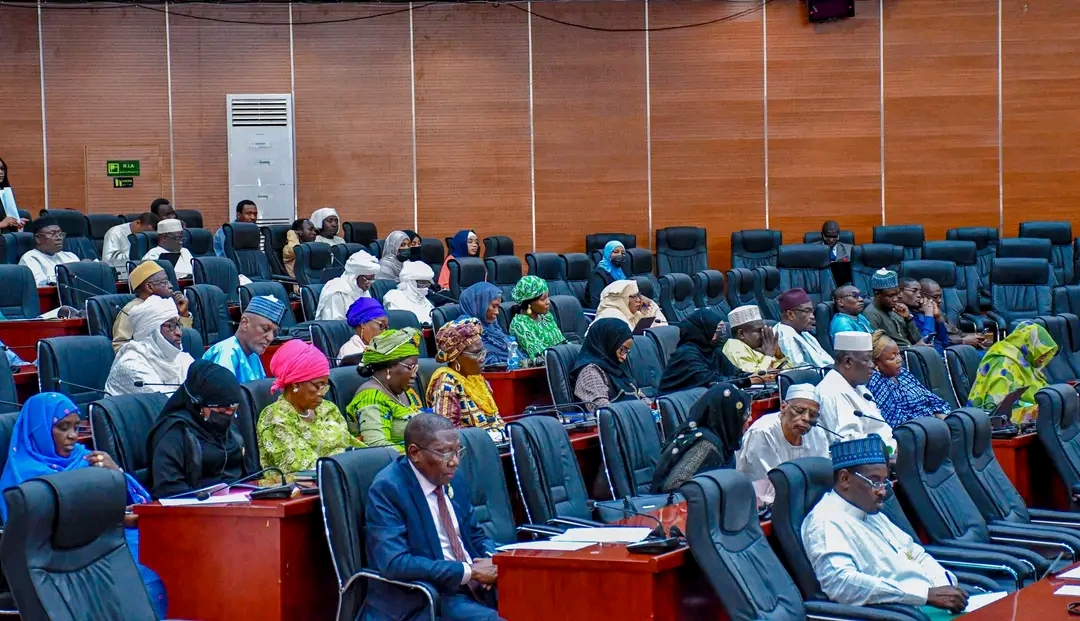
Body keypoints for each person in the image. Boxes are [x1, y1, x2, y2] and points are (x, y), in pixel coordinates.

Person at [0, 393, 167, 618]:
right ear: (37, 430)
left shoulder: (85, 458)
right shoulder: (20, 477)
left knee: (169, 559)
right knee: (142, 580)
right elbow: (36, 534)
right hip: (67, 561)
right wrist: (113, 518)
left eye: (76, 427)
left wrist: (114, 473)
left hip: (108, 543)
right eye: (62, 427)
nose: (72, 437)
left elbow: (138, 502)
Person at [802, 436, 967, 616]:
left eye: (884, 482)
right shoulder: (825, 521)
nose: (882, 491)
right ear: (844, 479)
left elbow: (915, 553)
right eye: (874, 482)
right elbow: (841, 584)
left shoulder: (871, 512)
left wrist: (943, 585)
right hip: (900, 613)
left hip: (926, 604)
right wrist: (923, 595)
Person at [361, 414, 501, 621]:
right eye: (444, 453)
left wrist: (494, 561)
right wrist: (469, 571)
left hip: (477, 585)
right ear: (415, 453)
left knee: (543, 600)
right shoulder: (389, 489)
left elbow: (475, 534)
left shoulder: (453, 478)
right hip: (431, 595)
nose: (454, 462)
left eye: (457, 451)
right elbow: (395, 563)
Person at [145, 360, 250, 499]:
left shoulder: (229, 430)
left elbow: (247, 473)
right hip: (194, 511)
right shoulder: (175, 433)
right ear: (198, 402)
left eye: (233, 408)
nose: (229, 414)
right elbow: (167, 489)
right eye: (222, 408)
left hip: (238, 504)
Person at [257, 340, 365, 473]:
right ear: (295, 384)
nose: (323, 392)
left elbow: (352, 446)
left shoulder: (328, 408)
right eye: (318, 385)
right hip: (305, 489)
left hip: (344, 476)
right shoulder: (275, 417)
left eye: (325, 386)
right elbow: (301, 467)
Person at [736, 384, 829, 503]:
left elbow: (822, 476)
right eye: (799, 411)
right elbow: (768, 486)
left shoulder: (817, 433)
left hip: (805, 500)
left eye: (812, 415)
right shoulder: (762, 432)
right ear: (783, 407)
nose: (806, 418)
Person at [651, 382, 751, 494]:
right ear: (730, 417)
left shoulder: (724, 441)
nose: (750, 419)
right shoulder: (705, 445)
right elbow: (674, 486)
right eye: (744, 416)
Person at [815, 332, 896, 451]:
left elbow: (880, 428)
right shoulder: (830, 392)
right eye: (867, 360)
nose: (872, 365)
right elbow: (849, 444)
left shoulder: (859, 386)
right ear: (847, 362)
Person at [428, 318, 506, 441]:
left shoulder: (476, 378)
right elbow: (447, 431)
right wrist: (488, 437)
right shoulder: (446, 381)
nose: (482, 358)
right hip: (472, 449)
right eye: (476, 354)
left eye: (483, 352)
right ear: (456, 358)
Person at [346, 328, 423, 452]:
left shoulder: (405, 391)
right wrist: (422, 456)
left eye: (416, 368)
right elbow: (378, 446)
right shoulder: (371, 398)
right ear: (389, 367)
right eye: (410, 367)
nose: (414, 374)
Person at [968, 322, 1057, 425]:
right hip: (996, 425)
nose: (1043, 360)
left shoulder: (1024, 361)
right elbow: (997, 407)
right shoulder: (1003, 362)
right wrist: (1035, 408)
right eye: (1042, 354)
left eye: (1045, 356)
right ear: (1029, 345)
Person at [105, 295, 195, 398]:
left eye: (178, 325)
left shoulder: (182, 358)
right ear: (152, 331)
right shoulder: (131, 365)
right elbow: (165, 404)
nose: (179, 333)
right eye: (171, 326)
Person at [867, 331, 951, 427]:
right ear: (875, 363)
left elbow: (931, 399)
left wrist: (942, 416)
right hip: (917, 432)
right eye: (892, 358)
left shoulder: (903, 373)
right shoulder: (876, 382)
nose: (899, 360)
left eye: (898, 354)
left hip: (935, 425)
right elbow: (897, 422)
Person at [658, 308, 744, 393]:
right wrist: (746, 381)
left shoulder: (713, 351)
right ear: (703, 330)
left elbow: (734, 373)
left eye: (721, 331)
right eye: (716, 331)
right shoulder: (686, 355)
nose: (719, 336)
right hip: (678, 404)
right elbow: (710, 382)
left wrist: (752, 376)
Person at [572, 318, 651, 410]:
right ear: (609, 343)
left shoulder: (616, 367)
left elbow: (640, 397)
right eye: (622, 350)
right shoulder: (590, 372)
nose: (624, 357)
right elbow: (605, 410)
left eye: (627, 351)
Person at [202, 295, 285, 383]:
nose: (270, 338)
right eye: (265, 329)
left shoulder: (253, 355)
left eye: (274, 332)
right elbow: (224, 395)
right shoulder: (226, 353)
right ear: (245, 323)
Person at [112, 262, 193, 351]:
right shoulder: (132, 310)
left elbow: (184, 340)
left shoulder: (168, 305)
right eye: (165, 282)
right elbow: (119, 347)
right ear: (149, 287)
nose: (171, 286)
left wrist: (183, 313)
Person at [508, 276, 566, 359]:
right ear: (529, 303)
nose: (548, 302)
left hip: (560, 361)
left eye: (547, 297)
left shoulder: (546, 316)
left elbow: (562, 342)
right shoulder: (520, 323)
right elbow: (539, 354)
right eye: (543, 299)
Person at [863, 269, 924, 348]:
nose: (895, 299)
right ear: (877, 294)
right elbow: (878, 350)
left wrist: (908, 318)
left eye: (897, 294)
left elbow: (917, 339)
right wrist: (914, 348)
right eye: (891, 296)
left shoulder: (895, 309)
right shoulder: (871, 314)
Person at [919, 278, 987, 348]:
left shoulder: (939, 312)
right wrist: (963, 341)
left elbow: (952, 331)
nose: (939, 300)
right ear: (921, 295)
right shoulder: (916, 317)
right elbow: (933, 341)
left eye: (940, 296)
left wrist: (974, 337)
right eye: (935, 297)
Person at [775, 288, 834, 367]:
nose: (812, 316)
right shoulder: (784, 336)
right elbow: (800, 370)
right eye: (807, 311)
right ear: (790, 314)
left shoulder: (804, 332)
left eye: (812, 311)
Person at [315, 250, 379, 320]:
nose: (369, 285)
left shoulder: (362, 289)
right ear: (354, 276)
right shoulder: (336, 291)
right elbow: (334, 325)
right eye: (368, 280)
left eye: (372, 280)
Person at [19, 216, 80, 286]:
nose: (59, 238)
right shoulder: (30, 259)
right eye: (52, 234)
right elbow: (40, 286)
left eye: (60, 234)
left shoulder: (70, 256)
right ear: (38, 238)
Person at [458, 282, 509, 366]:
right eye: (493, 306)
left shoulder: (492, 326)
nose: (497, 312)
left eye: (498, 307)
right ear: (479, 305)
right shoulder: (465, 328)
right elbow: (484, 362)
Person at [722, 304, 780, 374]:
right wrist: (768, 355)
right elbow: (754, 377)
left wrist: (778, 354)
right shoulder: (733, 347)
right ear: (741, 334)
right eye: (759, 331)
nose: (763, 335)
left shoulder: (758, 346)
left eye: (763, 330)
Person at [898, 276, 949, 353]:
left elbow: (945, 342)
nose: (919, 295)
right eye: (914, 291)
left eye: (919, 292)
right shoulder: (902, 315)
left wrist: (938, 318)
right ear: (899, 292)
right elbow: (926, 343)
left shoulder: (922, 312)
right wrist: (929, 315)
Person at [593, 279, 667, 332]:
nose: (639, 300)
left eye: (638, 295)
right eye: (634, 296)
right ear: (621, 299)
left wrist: (650, 304)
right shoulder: (611, 316)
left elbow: (662, 328)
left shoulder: (633, 313)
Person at [339, 297, 390, 364]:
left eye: (386, 326)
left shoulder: (386, 346)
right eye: (382, 325)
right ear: (363, 323)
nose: (385, 331)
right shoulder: (350, 352)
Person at [384, 261, 436, 325]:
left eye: (427, 282)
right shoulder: (394, 297)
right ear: (411, 282)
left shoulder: (425, 300)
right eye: (422, 282)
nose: (425, 286)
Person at [587, 240, 628, 307]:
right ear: (607, 253)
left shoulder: (621, 271)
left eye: (623, 253)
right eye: (616, 252)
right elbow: (596, 302)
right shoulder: (598, 274)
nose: (620, 255)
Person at [0, 157, 29, 232]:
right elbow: (4, 222)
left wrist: (16, 221)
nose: (1, 172)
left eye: (2, 169)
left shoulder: (5, 192)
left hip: (5, 235)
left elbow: (8, 218)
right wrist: (2, 224)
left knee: (26, 217)